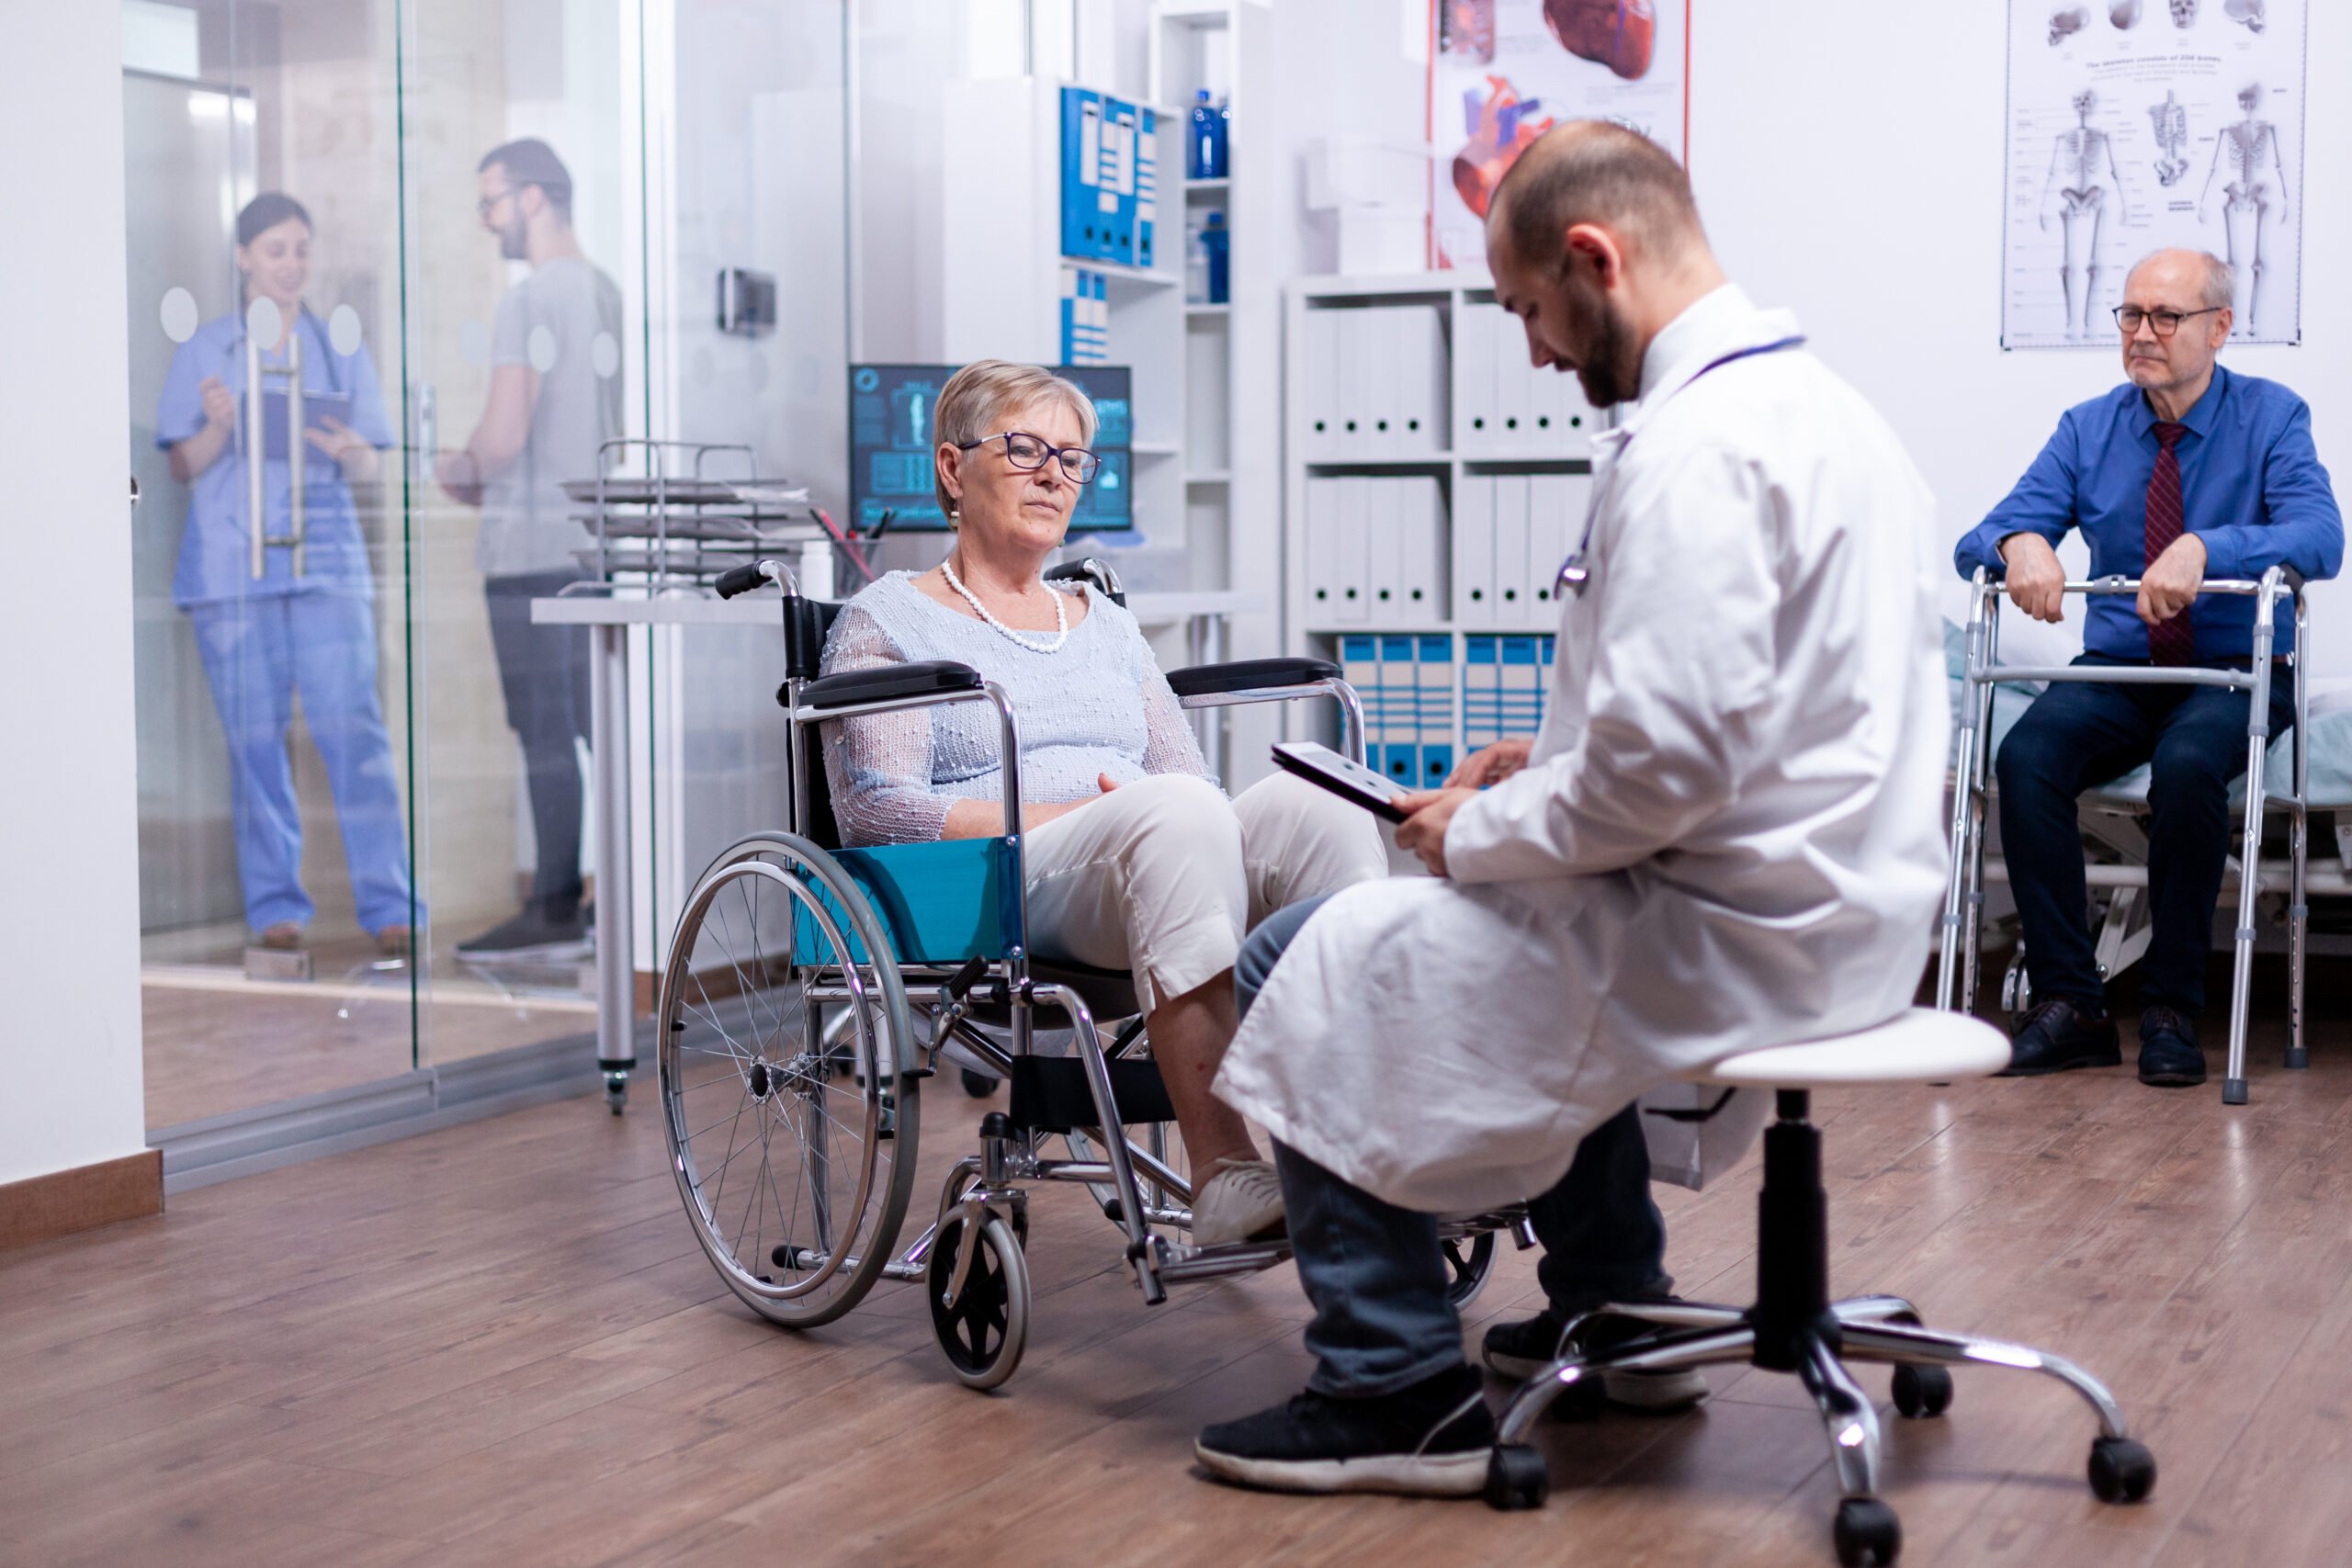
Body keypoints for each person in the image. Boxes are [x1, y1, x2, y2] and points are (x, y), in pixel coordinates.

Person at [1192, 121, 1950, 1496]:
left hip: (1731, 925)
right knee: (1399, 924)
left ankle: (1390, 1381)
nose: (1535, 353)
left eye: (1530, 311)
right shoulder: (1830, 414)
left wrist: (1465, 830)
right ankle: (1618, 1307)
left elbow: (1665, 772)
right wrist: (1532, 777)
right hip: (1847, 904)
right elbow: (1741, 725)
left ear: (1593, 259)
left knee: (1305, 954)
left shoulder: (1696, 450)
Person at [818, 359, 1386, 1246]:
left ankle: (1371, 1150)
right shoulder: (888, 622)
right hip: (1002, 879)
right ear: (950, 467)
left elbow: (1186, 777)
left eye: (1072, 457)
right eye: (1024, 448)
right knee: (1173, 815)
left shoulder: (1106, 620)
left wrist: (1155, 814)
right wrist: (1072, 821)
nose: (1055, 473)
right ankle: (1225, 1170)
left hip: (1151, 847)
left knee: (1325, 808)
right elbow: (881, 815)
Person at [1954, 248, 2341, 1088]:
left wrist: (2210, 546)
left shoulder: (2274, 418)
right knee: (2024, 758)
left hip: (2235, 668)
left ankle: (2172, 1007)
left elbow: (2322, 537)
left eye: (2166, 317)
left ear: (2220, 327)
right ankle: (2074, 1004)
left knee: (2192, 763)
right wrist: (2019, 542)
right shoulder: (2087, 427)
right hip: (2123, 668)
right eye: (2131, 315)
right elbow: (1981, 538)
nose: (2143, 334)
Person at [155, 192, 420, 958]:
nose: (292, 264)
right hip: (234, 571)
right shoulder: (207, 351)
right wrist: (219, 428)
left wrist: (350, 452)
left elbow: (372, 454)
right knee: (254, 744)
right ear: (243, 258)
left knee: (358, 735)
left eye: (302, 248)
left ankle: (391, 905)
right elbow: (181, 462)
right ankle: (276, 907)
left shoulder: (338, 348)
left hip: (325, 567)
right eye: (276, 249)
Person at [437, 139, 622, 958]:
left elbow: (504, 434)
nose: (488, 220)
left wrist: (455, 466)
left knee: (543, 736)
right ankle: (607, 903)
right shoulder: (608, 292)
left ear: (535, 196)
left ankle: (552, 906)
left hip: (528, 554)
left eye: (492, 201)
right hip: (595, 548)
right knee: (594, 730)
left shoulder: (529, 299)